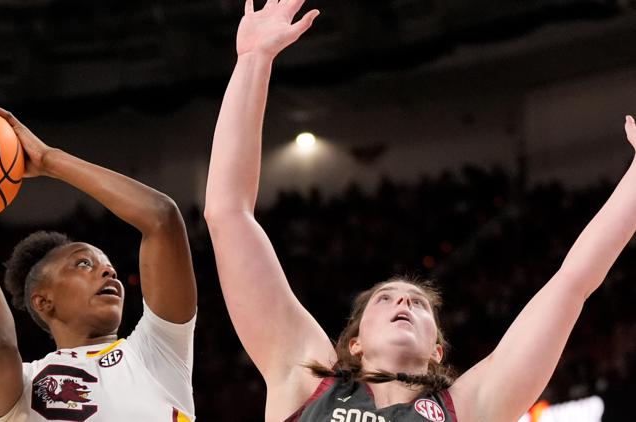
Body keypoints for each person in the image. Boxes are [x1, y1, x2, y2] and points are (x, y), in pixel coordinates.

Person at [203, 1, 636, 421]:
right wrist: (253, 61)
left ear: (437, 351)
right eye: (385, 298)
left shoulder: (468, 407)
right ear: (353, 344)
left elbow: (572, 284)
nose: (404, 301)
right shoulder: (303, 379)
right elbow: (228, 215)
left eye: (418, 303)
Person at [0, 105, 197, 421]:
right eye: (84, 264)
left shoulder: (158, 351)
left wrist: (48, 160)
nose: (108, 270)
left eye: (106, 265)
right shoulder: (27, 385)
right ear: (43, 301)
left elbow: (161, 218)